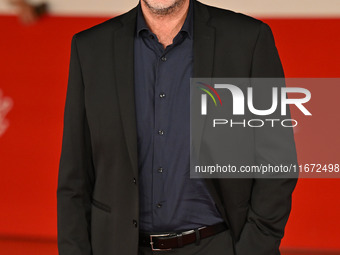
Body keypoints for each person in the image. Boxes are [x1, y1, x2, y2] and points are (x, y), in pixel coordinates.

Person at [57, 0, 298, 254]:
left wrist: (254, 248)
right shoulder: (91, 48)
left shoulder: (248, 39)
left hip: (218, 245)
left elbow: (278, 162)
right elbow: (75, 177)